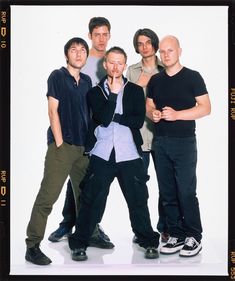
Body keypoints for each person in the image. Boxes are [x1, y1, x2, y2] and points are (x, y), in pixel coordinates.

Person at [68, 46, 160, 261]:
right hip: (102, 153)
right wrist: (115, 96)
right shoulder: (95, 92)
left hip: (129, 153)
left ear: (124, 65)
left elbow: (137, 122)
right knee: (92, 199)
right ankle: (79, 243)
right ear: (105, 64)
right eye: (112, 62)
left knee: (138, 200)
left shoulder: (136, 91)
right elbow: (104, 117)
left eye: (120, 63)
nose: (116, 66)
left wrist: (117, 115)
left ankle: (148, 241)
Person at [25, 37, 96, 266]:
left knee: (84, 198)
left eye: (82, 50)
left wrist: (88, 145)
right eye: (73, 50)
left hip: (83, 149)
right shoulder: (57, 76)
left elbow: (89, 115)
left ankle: (82, 238)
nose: (78, 54)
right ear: (67, 55)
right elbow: (52, 111)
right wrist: (59, 143)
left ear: (86, 56)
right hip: (62, 147)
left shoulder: (86, 81)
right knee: (48, 196)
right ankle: (32, 245)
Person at [48, 17, 113, 249]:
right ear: (90, 36)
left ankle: (91, 226)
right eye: (97, 34)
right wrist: (60, 141)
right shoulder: (81, 62)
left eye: (105, 34)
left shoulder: (112, 60)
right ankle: (69, 222)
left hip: (99, 129)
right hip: (76, 131)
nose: (101, 38)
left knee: (90, 182)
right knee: (74, 181)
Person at [146, 35, 211, 257]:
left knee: (186, 190)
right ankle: (176, 234)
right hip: (161, 142)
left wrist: (177, 115)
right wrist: (152, 113)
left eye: (170, 51)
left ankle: (194, 236)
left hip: (184, 142)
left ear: (179, 51)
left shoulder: (193, 77)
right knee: (167, 192)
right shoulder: (155, 80)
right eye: (162, 52)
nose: (165, 55)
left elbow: (205, 108)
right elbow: (149, 104)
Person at [126, 28, 169, 243]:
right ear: (137, 47)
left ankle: (165, 227)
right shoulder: (132, 71)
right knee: (138, 186)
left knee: (166, 185)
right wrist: (137, 85)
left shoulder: (166, 68)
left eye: (148, 42)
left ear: (155, 44)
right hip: (139, 137)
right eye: (140, 43)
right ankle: (143, 230)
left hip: (163, 135)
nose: (145, 47)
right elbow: (124, 102)